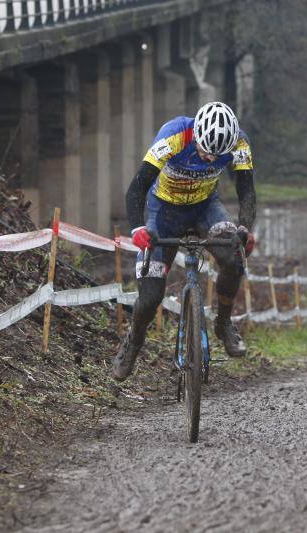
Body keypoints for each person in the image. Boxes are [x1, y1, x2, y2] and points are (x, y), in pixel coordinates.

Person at [112, 102, 256, 382]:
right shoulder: (174, 134)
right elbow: (137, 188)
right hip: (163, 211)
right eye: (205, 151)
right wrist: (137, 228)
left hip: (205, 207)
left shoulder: (238, 142)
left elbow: (247, 191)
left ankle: (224, 323)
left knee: (233, 258)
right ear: (197, 135)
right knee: (150, 296)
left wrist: (244, 228)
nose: (210, 160)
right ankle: (132, 342)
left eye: (218, 155)